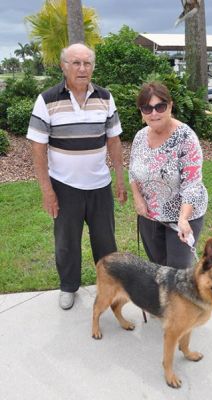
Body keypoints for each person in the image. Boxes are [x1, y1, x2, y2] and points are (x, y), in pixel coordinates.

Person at [27, 43, 127, 310]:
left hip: (99, 186)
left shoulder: (105, 97)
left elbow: (114, 140)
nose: (82, 69)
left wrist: (119, 177)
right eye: (76, 63)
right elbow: (38, 149)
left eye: (87, 63)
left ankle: (110, 286)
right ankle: (68, 286)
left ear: (93, 67)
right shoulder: (46, 100)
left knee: (106, 243)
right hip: (64, 187)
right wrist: (47, 190)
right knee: (67, 243)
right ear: (63, 66)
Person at [129, 82, 208, 269]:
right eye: (147, 108)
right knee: (158, 269)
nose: (154, 113)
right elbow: (133, 171)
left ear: (170, 106)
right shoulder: (140, 137)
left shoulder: (186, 138)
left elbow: (192, 185)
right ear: (141, 111)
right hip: (150, 216)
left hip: (182, 217)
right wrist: (137, 197)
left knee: (178, 274)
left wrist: (183, 218)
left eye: (160, 106)